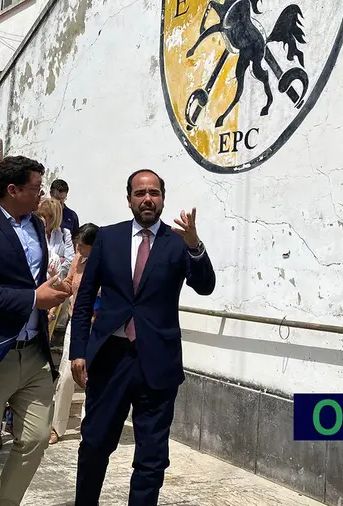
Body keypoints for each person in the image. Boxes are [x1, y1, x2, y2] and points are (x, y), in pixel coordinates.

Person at [69, 169, 216, 505]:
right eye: (140, 193)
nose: (147, 199)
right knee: (94, 444)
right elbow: (85, 300)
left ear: (163, 198)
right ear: (129, 199)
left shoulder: (178, 242)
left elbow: (205, 286)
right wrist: (78, 351)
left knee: (151, 458)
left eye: (154, 193)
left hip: (157, 364)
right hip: (110, 359)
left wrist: (194, 245)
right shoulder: (107, 238)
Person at [0, 155, 71, 506]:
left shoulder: (36, 225)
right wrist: (34, 297)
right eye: (35, 189)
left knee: (35, 440)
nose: (42, 196)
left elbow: (30, 278)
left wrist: (53, 290)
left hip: (33, 353)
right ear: (13, 189)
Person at [49, 223, 97, 444]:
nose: (77, 249)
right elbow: (69, 285)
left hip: (96, 327)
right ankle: (57, 427)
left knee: (92, 378)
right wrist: (57, 281)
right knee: (67, 375)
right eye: (76, 244)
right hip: (75, 323)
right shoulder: (78, 260)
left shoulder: (104, 264)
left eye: (81, 245)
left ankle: (88, 429)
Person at [35, 197, 74, 280]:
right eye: (39, 215)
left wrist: (55, 268)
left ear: (54, 217)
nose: (41, 218)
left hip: (58, 281)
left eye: (45, 216)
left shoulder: (65, 233)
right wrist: (59, 260)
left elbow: (70, 261)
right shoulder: (35, 232)